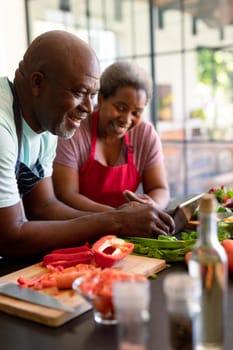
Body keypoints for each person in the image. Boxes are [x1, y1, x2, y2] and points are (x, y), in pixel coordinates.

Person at [0, 30, 175, 258]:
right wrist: (116, 221)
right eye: (80, 92)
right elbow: (9, 237)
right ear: (37, 83)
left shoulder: (48, 125)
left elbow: (43, 207)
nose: (89, 108)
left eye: (92, 95)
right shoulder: (3, 128)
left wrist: (120, 217)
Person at [53, 61, 170, 212]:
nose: (127, 119)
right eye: (120, 108)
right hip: (80, 226)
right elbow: (66, 194)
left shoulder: (145, 134)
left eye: (136, 113)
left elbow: (159, 188)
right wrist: (116, 217)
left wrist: (153, 206)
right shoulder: (75, 131)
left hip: (128, 229)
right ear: (101, 100)